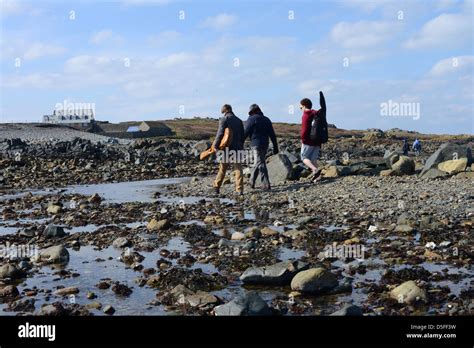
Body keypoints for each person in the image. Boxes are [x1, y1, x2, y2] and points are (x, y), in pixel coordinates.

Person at [244, 104, 278, 191]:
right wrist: (275, 147)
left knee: (260, 163)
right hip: (265, 144)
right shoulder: (267, 119)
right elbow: (272, 135)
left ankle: (266, 184)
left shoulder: (251, 119)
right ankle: (251, 182)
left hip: (256, 144)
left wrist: (240, 143)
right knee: (259, 162)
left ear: (252, 111)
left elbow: (245, 132)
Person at [212, 104, 245, 195]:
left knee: (223, 168)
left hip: (226, 147)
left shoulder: (224, 119)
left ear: (225, 110)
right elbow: (243, 135)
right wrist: (240, 145)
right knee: (238, 168)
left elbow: (220, 133)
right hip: (237, 147)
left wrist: (215, 146)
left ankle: (216, 187)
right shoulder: (239, 120)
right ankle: (239, 189)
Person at [300, 92, 325, 182]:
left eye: (301, 107)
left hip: (308, 141)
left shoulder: (306, 115)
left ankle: (315, 170)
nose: (300, 109)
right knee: (313, 159)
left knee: (304, 157)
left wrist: (303, 139)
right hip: (318, 140)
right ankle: (318, 177)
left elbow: (304, 129)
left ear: (304, 106)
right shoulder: (316, 113)